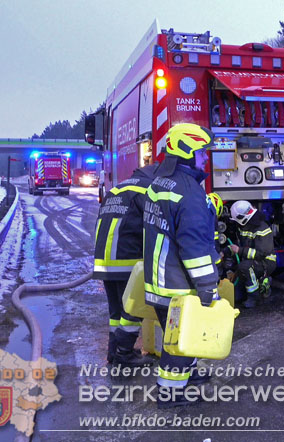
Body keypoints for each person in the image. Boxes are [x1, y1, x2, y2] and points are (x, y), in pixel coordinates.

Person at [143, 123, 221, 408]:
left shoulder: (159, 182)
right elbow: (194, 246)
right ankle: (170, 393)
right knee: (179, 341)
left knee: (175, 335)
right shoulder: (190, 192)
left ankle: (188, 376)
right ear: (188, 151)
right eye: (202, 153)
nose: (205, 159)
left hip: (158, 280)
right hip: (177, 284)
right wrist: (207, 286)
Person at [93, 164, 157, 367]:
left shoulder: (116, 190)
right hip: (127, 260)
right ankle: (124, 354)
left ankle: (113, 352)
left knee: (116, 313)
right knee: (132, 310)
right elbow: (151, 226)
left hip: (104, 262)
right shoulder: (147, 191)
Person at [228, 200, 277, 309]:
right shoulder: (245, 227)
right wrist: (225, 252)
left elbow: (261, 253)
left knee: (245, 267)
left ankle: (255, 297)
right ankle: (255, 286)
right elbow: (238, 245)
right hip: (251, 261)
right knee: (236, 297)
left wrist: (239, 251)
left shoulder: (262, 228)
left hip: (266, 262)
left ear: (242, 218)